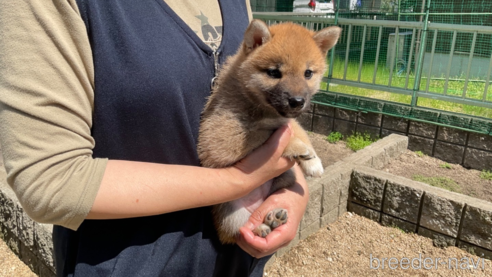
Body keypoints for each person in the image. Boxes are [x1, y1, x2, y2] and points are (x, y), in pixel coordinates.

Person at [0, 0, 309, 276]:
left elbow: (262, 112)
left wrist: (293, 189)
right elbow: (51, 182)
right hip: (124, 262)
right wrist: (240, 180)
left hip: (238, 262)